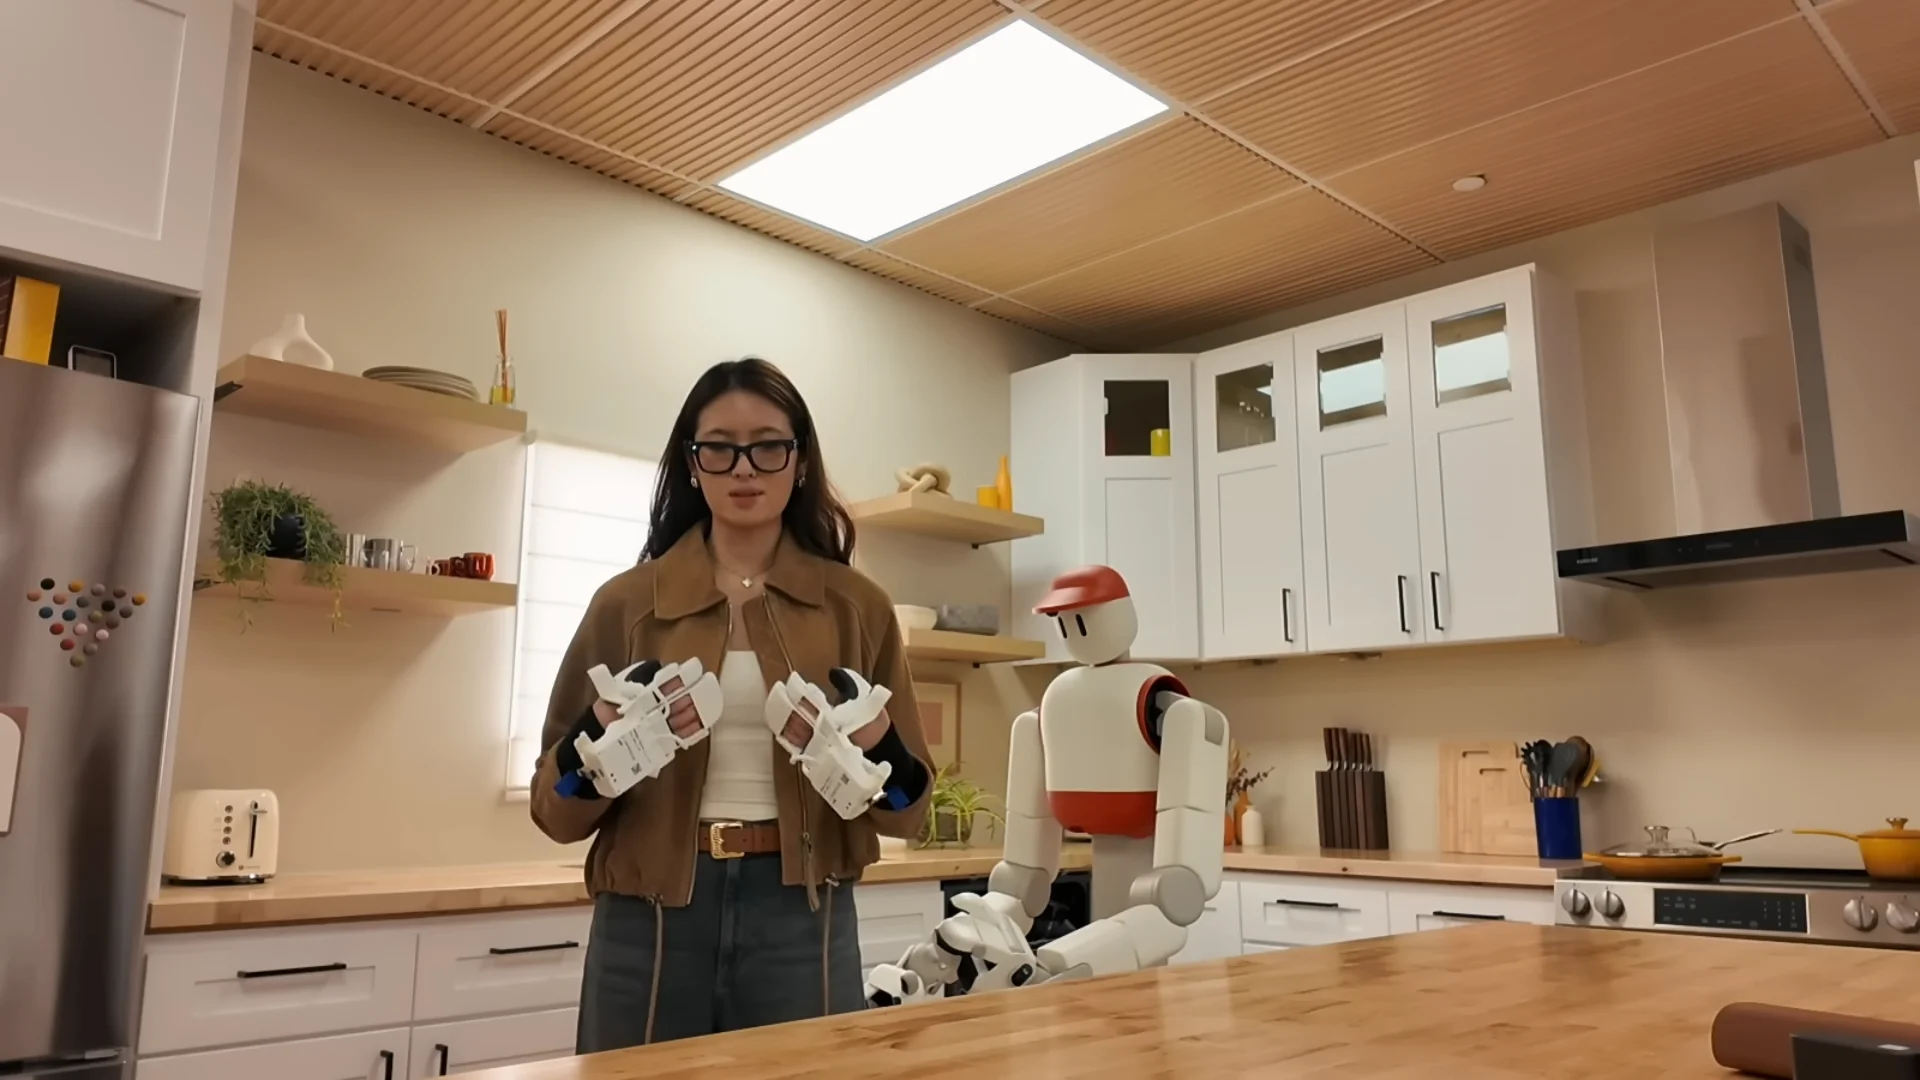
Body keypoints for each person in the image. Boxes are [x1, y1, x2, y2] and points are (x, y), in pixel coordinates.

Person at [528, 357, 933, 1050]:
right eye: (719, 448)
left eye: (768, 446)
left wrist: (879, 751)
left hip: (802, 915)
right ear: (692, 464)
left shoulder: (856, 608)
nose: (744, 468)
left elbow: (910, 811)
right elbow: (553, 808)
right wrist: (596, 747)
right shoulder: (626, 604)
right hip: (649, 919)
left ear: (799, 462)